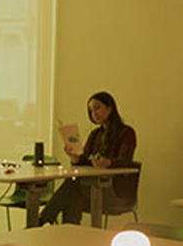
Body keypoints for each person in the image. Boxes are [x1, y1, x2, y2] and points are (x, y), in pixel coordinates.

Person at [39, 91, 137, 225]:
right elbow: (84, 159)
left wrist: (107, 163)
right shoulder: (95, 134)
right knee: (73, 196)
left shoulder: (126, 133)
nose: (94, 113)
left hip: (115, 191)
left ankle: (43, 219)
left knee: (72, 185)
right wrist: (74, 157)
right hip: (91, 188)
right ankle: (69, 237)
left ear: (110, 108)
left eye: (97, 108)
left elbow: (126, 161)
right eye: (91, 111)